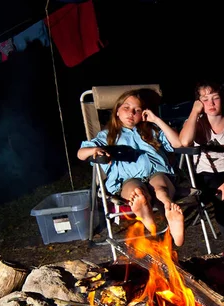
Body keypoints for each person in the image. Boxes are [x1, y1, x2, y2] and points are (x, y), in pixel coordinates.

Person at [77, 89, 185, 247]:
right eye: (126, 108)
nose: (131, 113)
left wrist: (156, 120)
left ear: (143, 114)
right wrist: (94, 150)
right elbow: (80, 153)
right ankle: (147, 212)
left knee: (160, 187)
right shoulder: (107, 136)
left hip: (158, 173)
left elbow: (177, 143)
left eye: (137, 110)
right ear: (117, 112)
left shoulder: (152, 131)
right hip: (127, 179)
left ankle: (168, 210)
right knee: (137, 191)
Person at [179, 79, 224, 258]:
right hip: (205, 174)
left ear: (222, 99)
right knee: (220, 197)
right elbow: (184, 142)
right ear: (198, 102)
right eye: (205, 99)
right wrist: (194, 112)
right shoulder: (196, 123)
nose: (210, 103)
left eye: (215, 98)